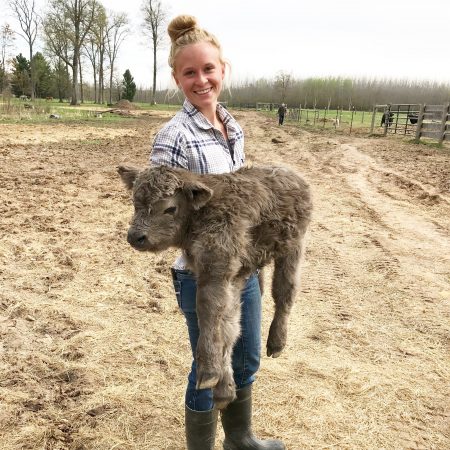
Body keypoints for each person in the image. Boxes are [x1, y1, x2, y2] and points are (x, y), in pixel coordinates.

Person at [150, 14, 286, 450]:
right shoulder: (175, 136)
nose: (201, 79)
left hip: (241, 266)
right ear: (176, 78)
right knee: (210, 363)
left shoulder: (234, 127)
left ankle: (240, 438)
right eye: (190, 72)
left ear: (223, 69)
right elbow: (158, 208)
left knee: (244, 357)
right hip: (201, 274)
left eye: (208, 69)